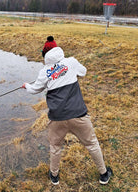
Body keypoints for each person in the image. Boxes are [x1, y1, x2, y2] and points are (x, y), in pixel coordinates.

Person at [22, 36, 113, 185]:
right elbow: (83, 72)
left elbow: (34, 89)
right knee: (91, 144)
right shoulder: (71, 62)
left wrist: (26, 85)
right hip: (79, 114)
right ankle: (103, 174)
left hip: (57, 118)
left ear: (45, 54)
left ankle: (54, 176)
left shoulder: (44, 72)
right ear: (57, 49)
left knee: (55, 147)